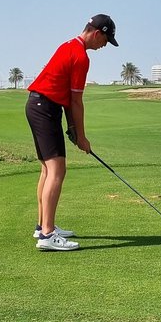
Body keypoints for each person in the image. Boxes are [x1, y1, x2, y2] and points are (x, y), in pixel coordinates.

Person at [25, 13, 119, 251]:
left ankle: (43, 226)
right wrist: (82, 137)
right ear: (97, 34)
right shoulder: (80, 56)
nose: (104, 46)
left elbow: (67, 99)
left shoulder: (68, 45)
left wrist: (73, 130)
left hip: (38, 105)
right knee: (57, 170)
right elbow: (76, 102)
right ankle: (47, 235)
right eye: (105, 40)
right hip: (45, 108)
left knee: (47, 169)